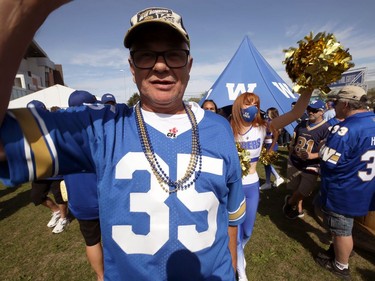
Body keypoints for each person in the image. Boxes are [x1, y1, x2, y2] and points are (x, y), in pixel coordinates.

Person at [0, 4, 246, 280]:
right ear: (132, 68)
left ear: (189, 65)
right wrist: (22, 12)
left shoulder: (219, 128)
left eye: (174, 54)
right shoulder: (101, 126)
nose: (161, 65)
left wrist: (233, 271)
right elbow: (4, 145)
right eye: (145, 55)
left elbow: (231, 219)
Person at [230, 90, 313, 280]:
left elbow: (295, 113)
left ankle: (238, 250)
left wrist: (309, 88)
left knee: (248, 231)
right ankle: (241, 272)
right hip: (232, 186)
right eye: (248, 103)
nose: (252, 108)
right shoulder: (228, 127)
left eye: (256, 104)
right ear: (238, 106)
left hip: (251, 185)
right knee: (236, 228)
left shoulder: (263, 127)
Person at [315, 85, 375, 280]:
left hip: (344, 187)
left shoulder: (346, 128)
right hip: (365, 185)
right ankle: (340, 251)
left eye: (337, 102)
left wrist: (324, 147)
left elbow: (329, 160)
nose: (334, 105)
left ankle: (341, 266)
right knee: (344, 227)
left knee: (341, 229)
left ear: (346, 104)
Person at [64, 90, 104, 281]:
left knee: (92, 241)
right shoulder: (101, 132)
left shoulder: (61, 136)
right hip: (105, 197)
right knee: (116, 240)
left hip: (80, 201)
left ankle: (101, 276)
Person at [283, 99, 330, 220]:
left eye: (314, 110)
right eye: (309, 109)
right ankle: (298, 207)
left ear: (321, 112)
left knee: (304, 190)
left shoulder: (326, 128)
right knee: (295, 187)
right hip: (295, 161)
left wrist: (313, 156)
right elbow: (294, 140)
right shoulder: (302, 124)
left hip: (312, 164)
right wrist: (291, 151)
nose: (310, 112)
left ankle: (290, 203)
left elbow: (328, 150)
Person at [27, 100, 69, 234]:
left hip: (57, 169)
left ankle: (64, 218)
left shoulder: (55, 125)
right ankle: (56, 211)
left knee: (59, 196)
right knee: (36, 196)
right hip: (40, 170)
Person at [259, 107, 285, 190]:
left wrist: (271, 148)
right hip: (267, 145)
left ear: (272, 114)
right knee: (266, 163)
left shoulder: (272, 123)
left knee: (267, 163)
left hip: (271, 145)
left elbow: (275, 136)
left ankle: (277, 177)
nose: (266, 114)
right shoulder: (269, 122)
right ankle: (268, 182)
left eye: (268, 113)